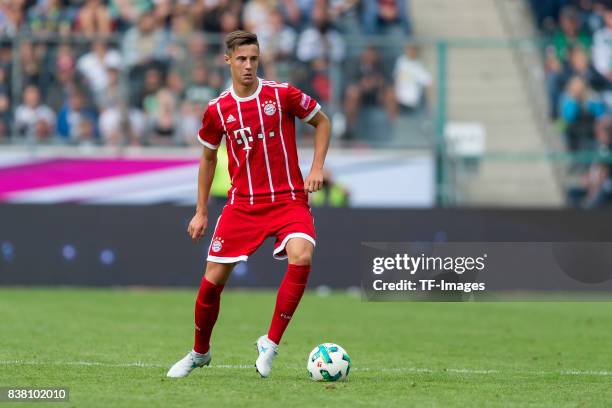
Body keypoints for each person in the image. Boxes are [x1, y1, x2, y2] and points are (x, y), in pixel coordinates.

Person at [167, 30, 331, 379]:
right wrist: (201, 210)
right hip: (243, 206)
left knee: (302, 255)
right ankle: (199, 352)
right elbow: (207, 159)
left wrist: (316, 167)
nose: (248, 66)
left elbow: (322, 121)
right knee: (211, 282)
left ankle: (270, 343)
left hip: (288, 199)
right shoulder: (218, 110)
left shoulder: (281, 94)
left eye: (254, 59)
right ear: (228, 60)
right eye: (241, 59)